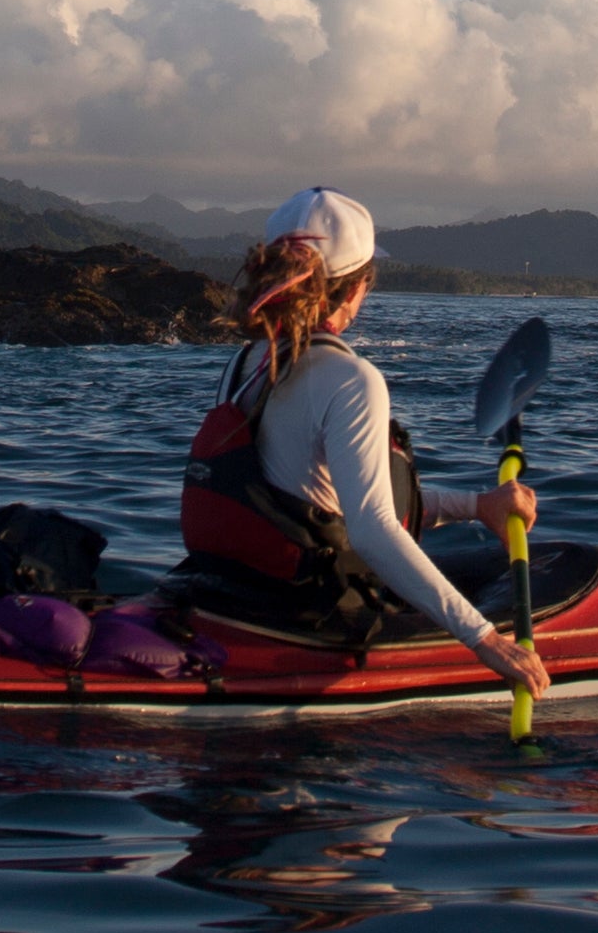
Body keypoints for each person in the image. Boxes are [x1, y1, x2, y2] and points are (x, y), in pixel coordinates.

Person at [175, 186, 550, 693]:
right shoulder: (352, 380)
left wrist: (477, 506)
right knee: (539, 577)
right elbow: (372, 531)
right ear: (357, 288)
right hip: (310, 615)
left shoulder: (245, 363)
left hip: (233, 591)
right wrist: (485, 640)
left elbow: (318, 503)